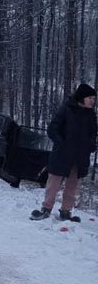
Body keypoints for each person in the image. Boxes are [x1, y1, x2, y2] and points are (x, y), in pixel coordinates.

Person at [30, 83, 97, 222]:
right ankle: (46, 209)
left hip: (80, 157)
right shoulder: (67, 109)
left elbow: (93, 134)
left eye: (93, 98)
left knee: (72, 186)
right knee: (53, 183)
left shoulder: (91, 115)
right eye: (90, 97)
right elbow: (52, 129)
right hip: (62, 154)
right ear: (82, 97)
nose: (93, 100)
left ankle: (66, 212)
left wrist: (90, 146)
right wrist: (62, 144)